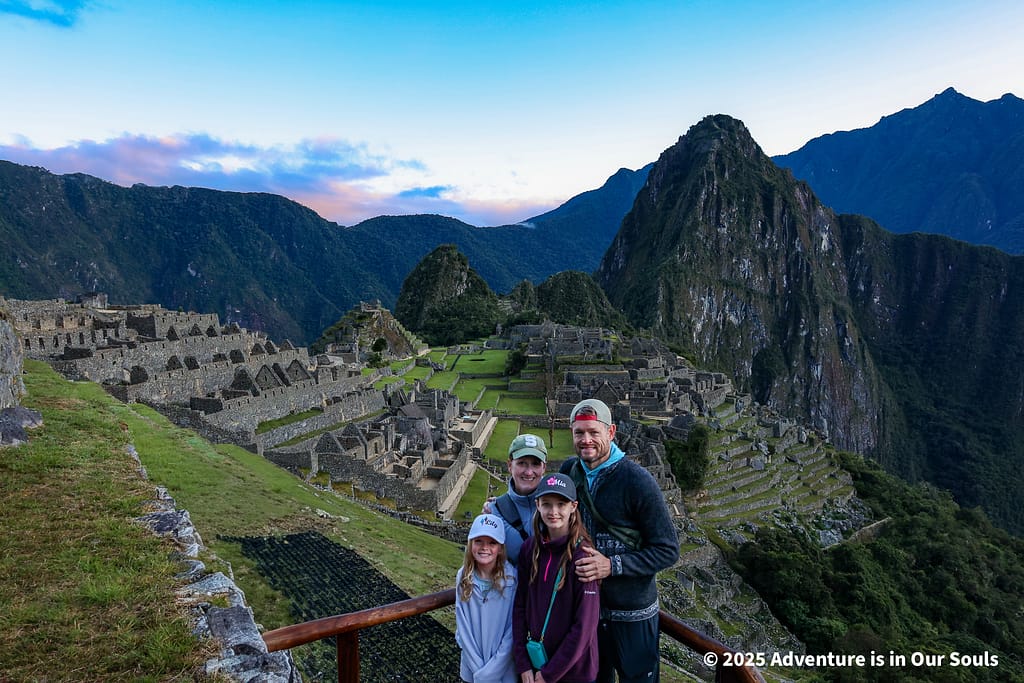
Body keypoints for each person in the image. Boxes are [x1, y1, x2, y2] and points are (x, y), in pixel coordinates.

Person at [559, 399, 679, 683]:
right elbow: (545, 510)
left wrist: (611, 566)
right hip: (586, 612)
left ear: (611, 432)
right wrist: (499, 509)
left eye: (593, 432)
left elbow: (668, 550)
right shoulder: (569, 473)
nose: (585, 440)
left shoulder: (637, 481)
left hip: (632, 613)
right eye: (579, 433)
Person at [512, 473, 600, 683]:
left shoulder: (584, 557)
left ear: (574, 506)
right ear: (537, 505)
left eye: (561, 504)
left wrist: (548, 674)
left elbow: (584, 628)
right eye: (547, 504)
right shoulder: (529, 549)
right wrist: (522, 662)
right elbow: (520, 607)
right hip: (536, 666)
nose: (553, 512)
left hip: (573, 673)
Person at [456, 513, 518, 683]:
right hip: (472, 670)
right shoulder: (463, 576)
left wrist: (490, 673)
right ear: (470, 544)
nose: (485, 548)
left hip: (503, 671)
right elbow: (462, 624)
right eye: (478, 541)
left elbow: (512, 631)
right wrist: (479, 670)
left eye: (492, 543)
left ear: (501, 548)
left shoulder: (511, 579)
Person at [488, 433, 548, 565]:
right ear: (509, 465)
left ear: (544, 467)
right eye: (522, 463)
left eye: (535, 464)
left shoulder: (562, 506)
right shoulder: (494, 511)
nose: (528, 472)